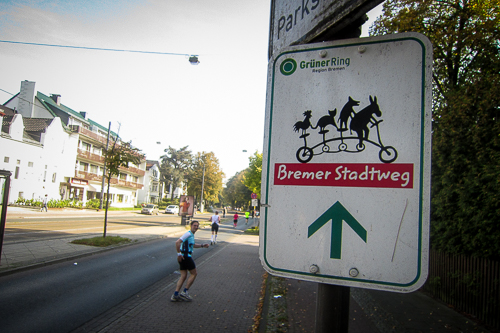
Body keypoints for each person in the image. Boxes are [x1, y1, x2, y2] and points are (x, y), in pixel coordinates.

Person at [171, 220, 209, 302]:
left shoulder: (191, 235)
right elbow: (178, 242)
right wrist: (179, 254)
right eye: (194, 225)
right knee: (194, 273)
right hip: (186, 257)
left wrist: (202, 245)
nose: (196, 227)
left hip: (184, 257)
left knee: (183, 276)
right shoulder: (188, 234)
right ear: (191, 226)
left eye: (197, 226)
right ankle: (185, 292)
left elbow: (193, 245)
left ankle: (175, 294)